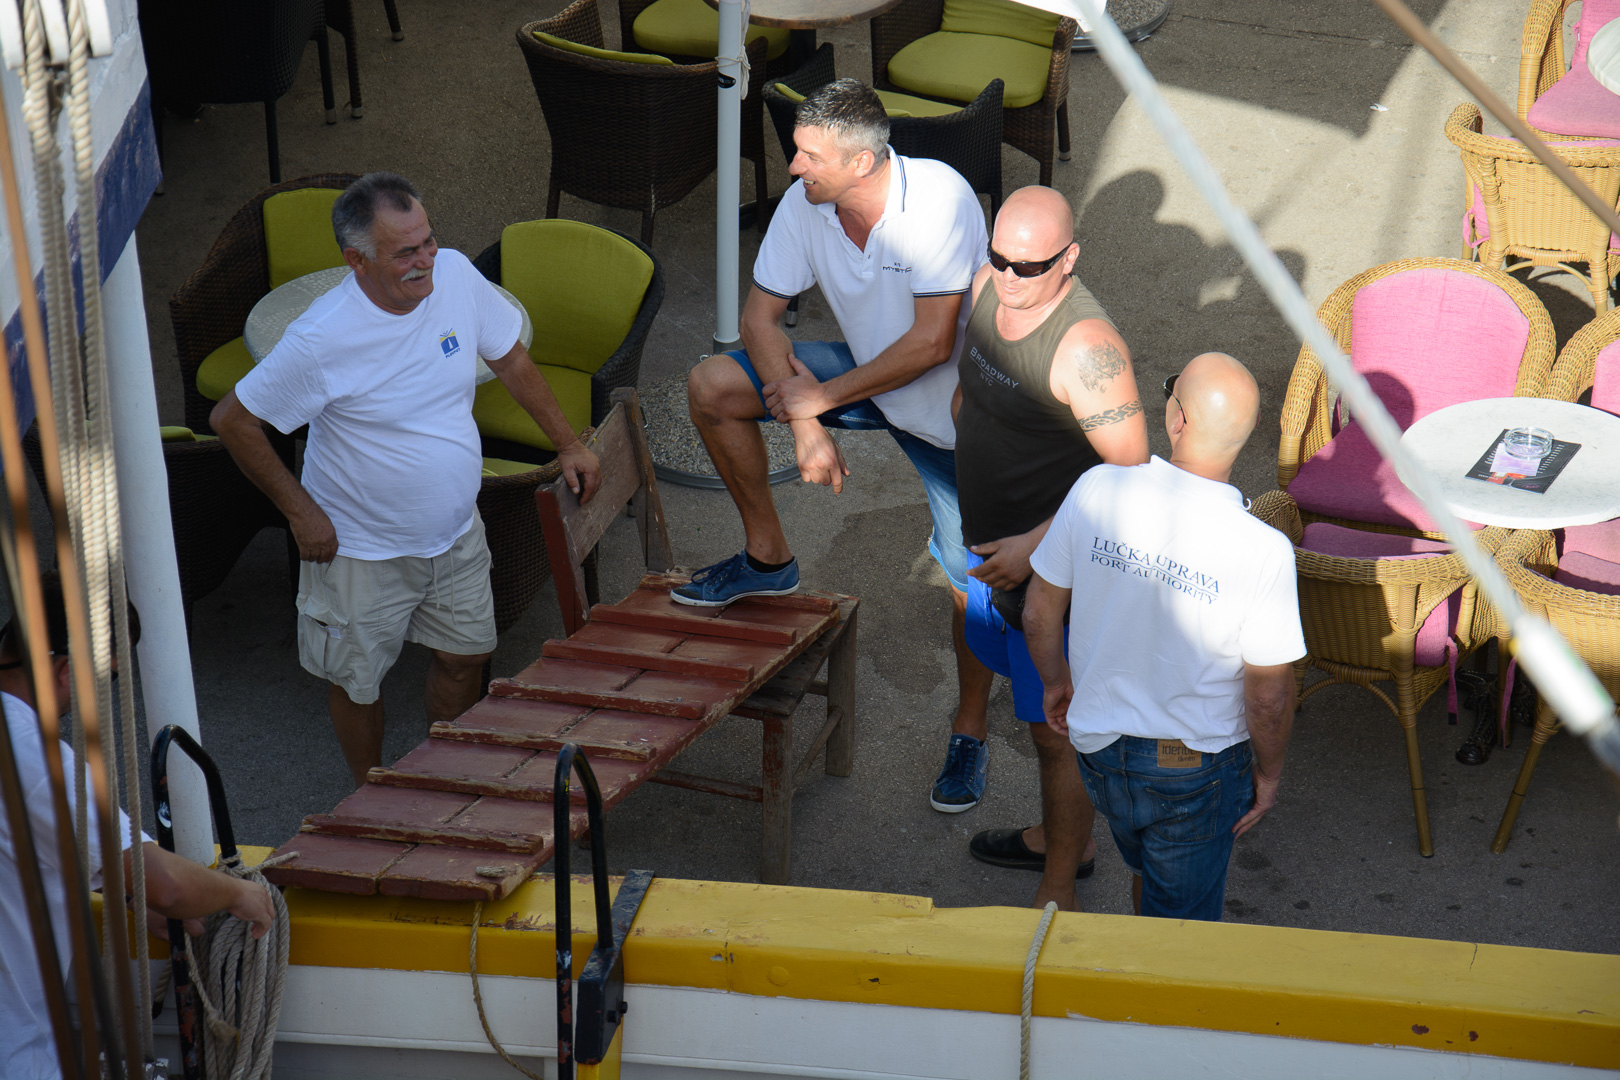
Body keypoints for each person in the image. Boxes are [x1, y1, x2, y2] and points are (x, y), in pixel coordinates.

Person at [214, 172, 600, 787]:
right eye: (405, 253)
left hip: (456, 533)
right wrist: (301, 513)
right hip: (359, 550)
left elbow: (510, 358)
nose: (426, 262)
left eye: (429, 241)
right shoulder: (321, 337)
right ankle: (373, 794)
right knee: (357, 683)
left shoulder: (456, 275)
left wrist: (569, 444)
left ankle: (441, 778)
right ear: (357, 261)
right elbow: (233, 421)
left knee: (467, 655)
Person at [683, 79, 997, 796]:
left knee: (971, 582)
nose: (794, 167)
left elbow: (931, 344)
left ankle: (970, 727)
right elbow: (758, 319)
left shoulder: (939, 200)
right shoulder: (808, 201)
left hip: (951, 418)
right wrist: (803, 422)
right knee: (712, 386)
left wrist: (820, 399)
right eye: (796, 151)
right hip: (868, 379)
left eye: (809, 156)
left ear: (861, 162)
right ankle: (768, 559)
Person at [1023, 352, 1304, 921]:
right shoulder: (1264, 550)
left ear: (1177, 419)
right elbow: (1269, 695)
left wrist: (1056, 684)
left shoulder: (1097, 488)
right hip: (1195, 770)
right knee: (1180, 937)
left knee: (1144, 870)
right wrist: (1270, 773)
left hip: (1099, 751)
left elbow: (1038, 613)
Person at [950, 186, 1149, 911]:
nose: (1009, 276)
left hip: (1054, 579)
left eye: (1029, 266)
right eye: (999, 257)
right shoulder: (988, 287)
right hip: (990, 554)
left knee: (1056, 731)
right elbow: (972, 388)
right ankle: (1061, 838)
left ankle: (1060, 883)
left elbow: (1129, 474)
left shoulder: (1088, 350)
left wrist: (1036, 547)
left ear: (1069, 259)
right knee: (1036, 722)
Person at [0, 575, 276, 1078]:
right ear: (67, 671)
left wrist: (124, 890)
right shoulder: (38, 763)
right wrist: (240, 894)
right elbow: (166, 885)